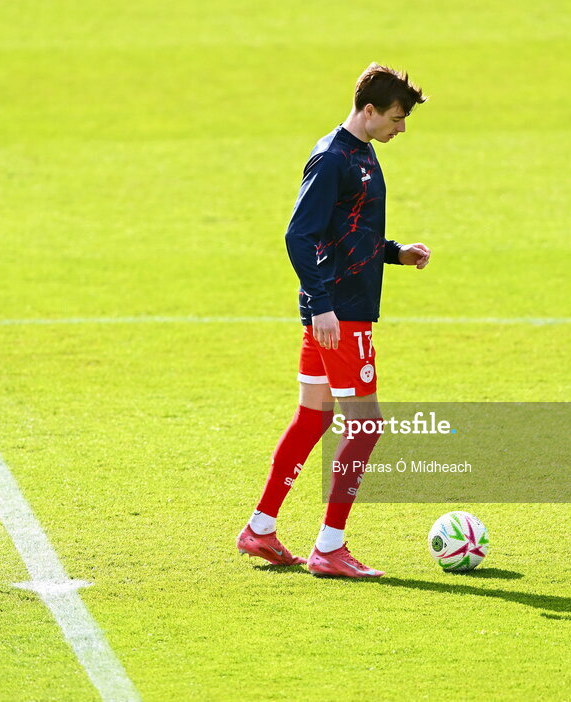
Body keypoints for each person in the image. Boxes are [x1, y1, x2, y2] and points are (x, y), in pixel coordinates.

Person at [236, 63, 430, 578]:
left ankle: (260, 530)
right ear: (368, 110)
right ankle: (330, 546)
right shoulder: (331, 159)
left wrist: (395, 252)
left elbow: (348, 231)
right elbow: (299, 235)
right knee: (365, 427)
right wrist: (321, 305)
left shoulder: (362, 153)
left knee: (314, 419)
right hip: (340, 315)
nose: (401, 127)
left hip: (337, 308)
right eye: (396, 116)